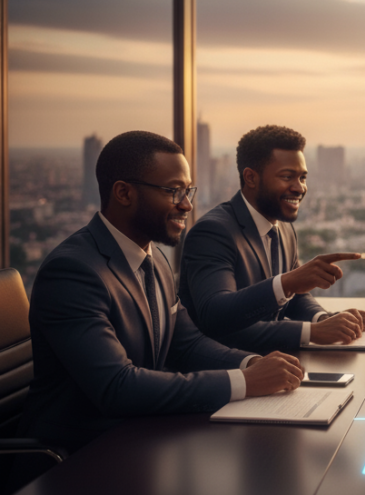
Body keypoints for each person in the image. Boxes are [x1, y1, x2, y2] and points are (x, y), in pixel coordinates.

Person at [17, 131, 304, 456]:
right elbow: (117, 387)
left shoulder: (155, 261)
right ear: (124, 193)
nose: (187, 204)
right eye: (173, 191)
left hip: (141, 435)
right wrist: (244, 383)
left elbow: (186, 344)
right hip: (77, 456)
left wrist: (252, 363)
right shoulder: (72, 271)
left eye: (188, 190)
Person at [179, 125, 365, 354]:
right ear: (250, 177)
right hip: (226, 373)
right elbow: (217, 317)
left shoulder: (284, 228)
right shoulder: (212, 232)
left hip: (276, 364)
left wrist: (322, 320)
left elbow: (294, 297)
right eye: (287, 177)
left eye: (303, 177)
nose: (299, 188)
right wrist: (310, 332)